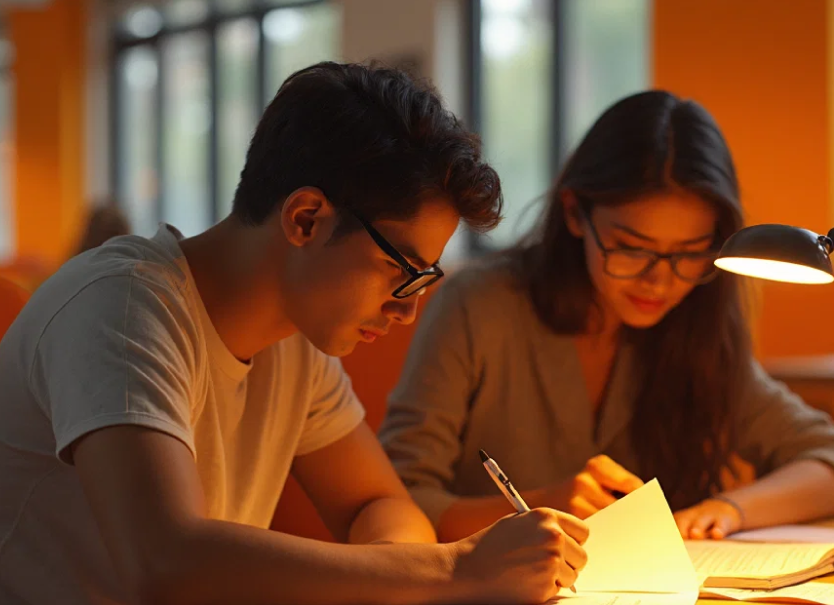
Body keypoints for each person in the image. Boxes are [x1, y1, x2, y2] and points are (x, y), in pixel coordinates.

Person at [0, 62, 588, 605]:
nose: (407, 312)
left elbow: (377, 504)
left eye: (427, 279)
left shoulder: (294, 341)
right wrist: (454, 570)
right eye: (403, 271)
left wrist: (392, 570)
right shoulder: (121, 306)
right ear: (306, 217)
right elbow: (164, 562)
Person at [379, 90, 834, 544]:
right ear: (576, 213)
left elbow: (826, 456)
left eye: (690, 253)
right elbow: (395, 500)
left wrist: (727, 510)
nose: (659, 281)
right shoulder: (479, 305)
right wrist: (541, 506)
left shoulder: (696, 329)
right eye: (633, 249)